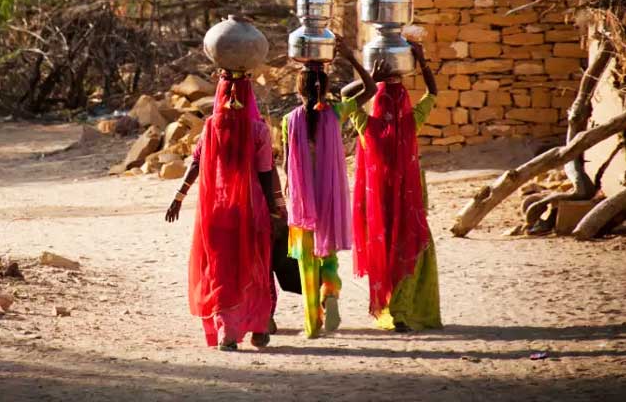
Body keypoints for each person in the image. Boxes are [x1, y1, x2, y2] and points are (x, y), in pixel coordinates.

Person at [165, 70, 278, 351]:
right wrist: (276, 209)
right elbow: (265, 173)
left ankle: (228, 333)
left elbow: (195, 164)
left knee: (221, 270)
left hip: (217, 211)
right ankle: (259, 327)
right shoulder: (259, 130)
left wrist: (178, 197)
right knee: (255, 266)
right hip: (251, 211)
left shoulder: (211, 127)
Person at [281, 37, 378, 338]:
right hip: (330, 198)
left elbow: (287, 164)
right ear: (325, 88)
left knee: (306, 264)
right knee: (329, 257)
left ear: (299, 90)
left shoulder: (289, 121)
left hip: (302, 202)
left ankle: (312, 324)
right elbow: (372, 89)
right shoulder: (335, 114)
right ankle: (331, 294)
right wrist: (351, 58)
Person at [344, 41, 443, 333]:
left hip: (378, 206)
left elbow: (346, 98)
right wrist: (422, 60)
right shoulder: (413, 121)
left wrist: (367, 76)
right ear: (405, 103)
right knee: (411, 248)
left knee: (385, 250)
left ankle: (390, 309)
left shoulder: (366, 126)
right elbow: (433, 92)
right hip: (410, 200)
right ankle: (404, 311)